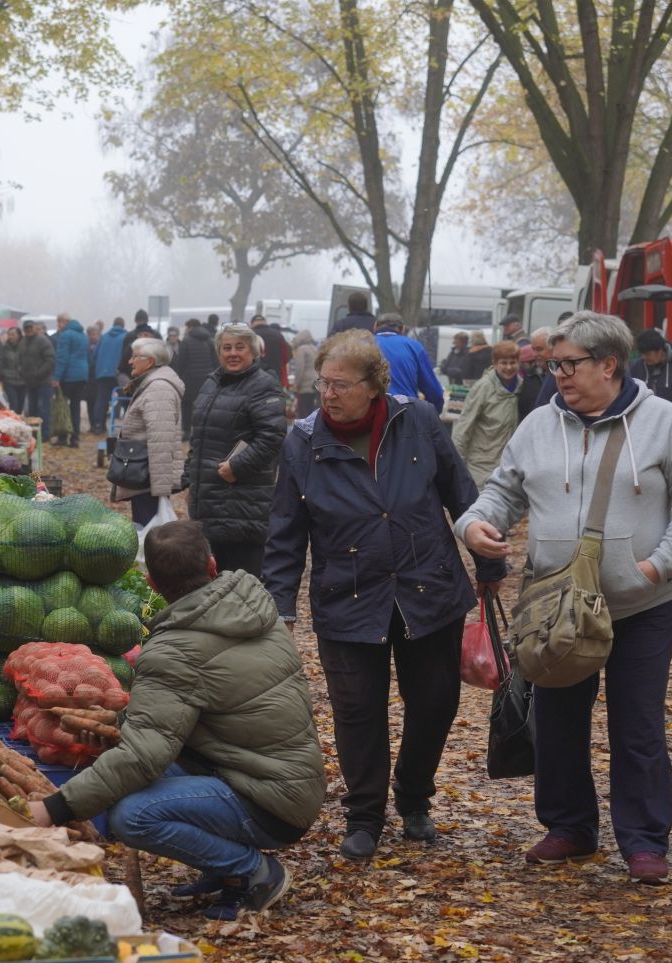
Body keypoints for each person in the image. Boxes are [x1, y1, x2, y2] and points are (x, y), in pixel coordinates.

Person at [456, 312, 672, 885]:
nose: (559, 375)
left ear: (608, 365)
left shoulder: (665, 422)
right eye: (553, 365)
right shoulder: (537, 426)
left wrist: (660, 564)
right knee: (557, 720)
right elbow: (503, 491)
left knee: (637, 726)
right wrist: (475, 524)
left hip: (640, 606)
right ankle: (569, 827)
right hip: (556, 609)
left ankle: (645, 841)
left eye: (569, 364)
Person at [263, 330, 504, 862]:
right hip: (346, 595)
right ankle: (364, 815)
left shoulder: (415, 420)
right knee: (357, 711)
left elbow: (460, 492)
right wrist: (279, 605)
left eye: (341, 385)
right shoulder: (302, 441)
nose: (328, 394)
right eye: (323, 383)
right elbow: (285, 529)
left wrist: (489, 560)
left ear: (375, 385)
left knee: (437, 702)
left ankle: (414, 795)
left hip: (428, 586)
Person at [28, 520, 326, 920]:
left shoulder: (174, 651)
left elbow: (144, 756)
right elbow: (197, 709)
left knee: (132, 815)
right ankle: (225, 871)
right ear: (213, 566)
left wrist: (56, 808)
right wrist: (121, 722)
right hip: (288, 778)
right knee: (145, 768)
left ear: (150, 581)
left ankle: (256, 873)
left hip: (272, 802)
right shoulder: (252, 605)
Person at [184, 323, 289, 577]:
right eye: (226, 347)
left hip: (242, 504)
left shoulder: (263, 385)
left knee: (239, 584)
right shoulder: (212, 383)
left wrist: (237, 467)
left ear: (253, 352)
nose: (232, 353)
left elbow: (273, 436)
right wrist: (190, 479)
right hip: (208, 502)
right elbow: (199, 437)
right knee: (212, 581)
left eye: (240, 347)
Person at [112, 337, 184, 524]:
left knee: (151, 536)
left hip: (148, 482)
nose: (129, 361)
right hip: (144, 477)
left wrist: (159, 492)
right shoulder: (151, 385)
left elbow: (161, 440)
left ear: (150, 361)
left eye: (135, 356)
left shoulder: (158, 388)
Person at [452, 340, 521, 487]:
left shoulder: (522, 387)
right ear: (494, 363)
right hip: (481, 467)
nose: (509, 367)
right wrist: (456, 465)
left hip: (509, 466)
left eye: (513, 362)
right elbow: (463, 427)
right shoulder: (483, 387)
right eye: (503, 363)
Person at [373, 312, 444, 412]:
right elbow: (433, 391)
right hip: (404, 413)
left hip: (369, 413)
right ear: (402, 329)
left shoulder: (362, 344)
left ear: (375, 326)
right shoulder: (413, 346)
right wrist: (434, 414)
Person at [631, 329, 672, 420]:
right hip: (643, 423)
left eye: (647, 354)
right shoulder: (636, 367)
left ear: (660, 351)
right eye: (642, 354)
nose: (644, 357)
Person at [175, 317, 219, 442]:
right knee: (205, 407)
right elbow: (216, 362)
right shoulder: (210, 340)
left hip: (189, 380)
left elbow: (181, 362)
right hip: (207, 380)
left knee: (187, 406)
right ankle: (202, 432)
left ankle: (187, 432)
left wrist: (179, 377)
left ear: (190, 327)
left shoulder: (186, 341)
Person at [51, 314, 90, 447]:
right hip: (82, 375)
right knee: (75, 407)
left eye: (59, 322)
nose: (58, 325)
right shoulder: (83, 335)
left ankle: (62, 437)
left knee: (63, 406)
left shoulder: (66, 335)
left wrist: (56, 377)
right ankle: (75, 438)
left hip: (68, 376)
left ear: (66, 322)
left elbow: (62, 358)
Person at [17, 319, 56, 440]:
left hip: (43, 382)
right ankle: (33, 434)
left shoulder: (43, 341)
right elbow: (18, 359)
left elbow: (50, 360)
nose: (29, 330)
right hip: (29, 382)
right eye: (26, 328)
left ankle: (45, 434)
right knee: (31, 410)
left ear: (34, 328)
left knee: (44, 409)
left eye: (30, 328)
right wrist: (20, 371)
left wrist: (39, 373)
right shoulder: (22, 342)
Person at [517, 327, 552, 421]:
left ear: (552, 348)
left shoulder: (562, 376)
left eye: (539, 349)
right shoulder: (529, 376)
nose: (535, 354)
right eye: (534, 349)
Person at [117, 309, 159, 380]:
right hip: (151, 376)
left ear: (135, 320)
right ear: (147, 320)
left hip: (131, 376)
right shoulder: (156, 335)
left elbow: (123, 360)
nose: (143, 337)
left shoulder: (129, 336)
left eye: (146, 335)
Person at [289, 329, 319, 417]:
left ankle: (304, 430)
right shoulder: (314, 348)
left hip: (305, 387)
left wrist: (295, 385)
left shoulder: (301, 349)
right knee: (311, 413)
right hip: (315, 385)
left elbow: (299, 369)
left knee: (303, 413)